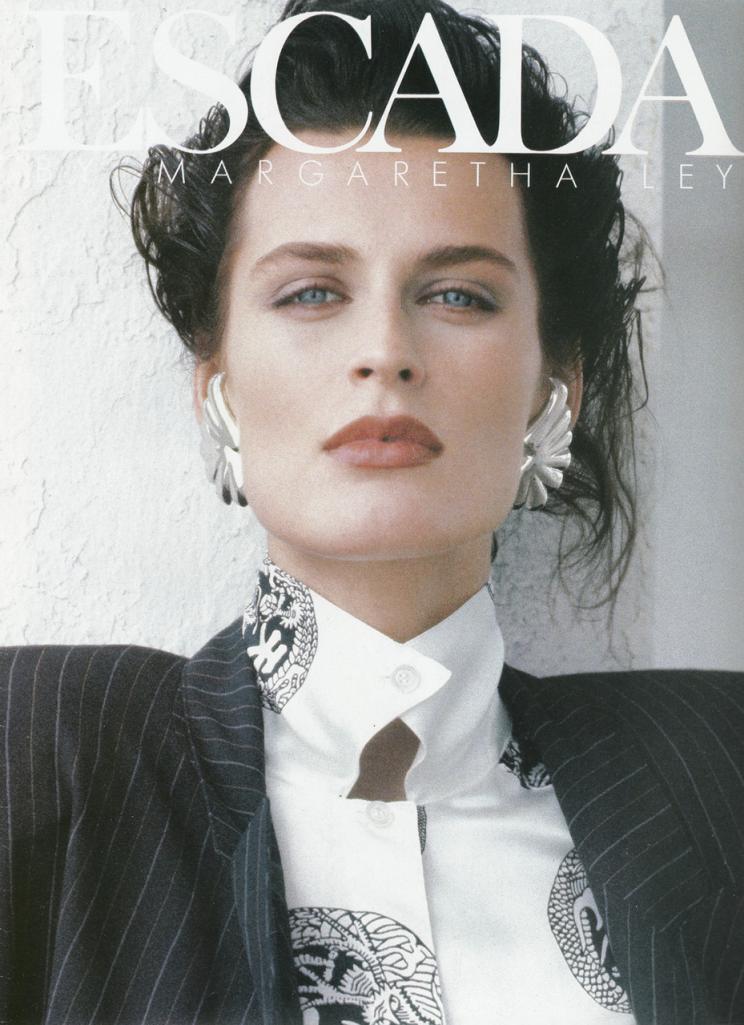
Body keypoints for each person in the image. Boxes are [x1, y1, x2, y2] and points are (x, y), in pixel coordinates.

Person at [2, 1, 743, 1024]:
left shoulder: (713, 773)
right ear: (216, 387)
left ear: (555, 389)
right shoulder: (42, 746)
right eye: (311, 293)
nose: (385, 351)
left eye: (460, 295)